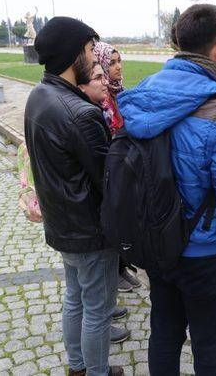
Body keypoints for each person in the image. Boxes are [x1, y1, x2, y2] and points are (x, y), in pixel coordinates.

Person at [117, 4, 216, 375]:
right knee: (210, 347)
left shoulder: (144, 93)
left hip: (159, 243)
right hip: (206, 254)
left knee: (164, 333)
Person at [24, 17, 123, 376]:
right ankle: (94, 372)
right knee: (97, 308)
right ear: (71, 56)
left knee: (76, 299)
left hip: (63, 225)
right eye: (86, 50)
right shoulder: (81, 112)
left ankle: (78, 367)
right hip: (90, 231)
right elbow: (108, 180)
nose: (92, 56)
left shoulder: (39, 94)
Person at [92, 41, 143, 294]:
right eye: (111, 63)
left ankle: (122, 266)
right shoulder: (99, 100)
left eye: (119, 61)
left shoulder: (120, 92)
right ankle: (114, 271)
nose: (118, 67)